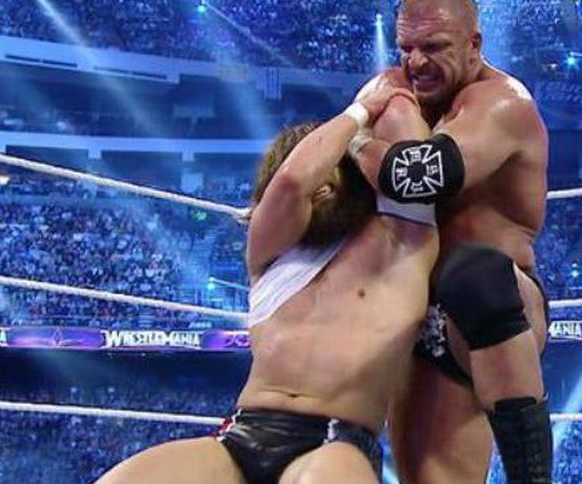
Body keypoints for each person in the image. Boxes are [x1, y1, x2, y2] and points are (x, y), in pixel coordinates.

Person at [96, 85, 439, 484]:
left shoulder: (399, 243)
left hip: (336, 440)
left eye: (330, 176)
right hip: (242, 434)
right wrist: (359, 113)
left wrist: (386, 99)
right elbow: (292, 182)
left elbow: (415, 161)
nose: (318, 186)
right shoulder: (270, 250)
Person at [348, 0, 551, 482]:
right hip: (419, 311)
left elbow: (419, 177)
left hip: (497, 309)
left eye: (434, 47)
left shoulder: (503, 103)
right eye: (406, 48)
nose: (416, 62)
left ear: (474, 44)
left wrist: (355, 140)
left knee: (475, 274)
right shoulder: (395, 92)